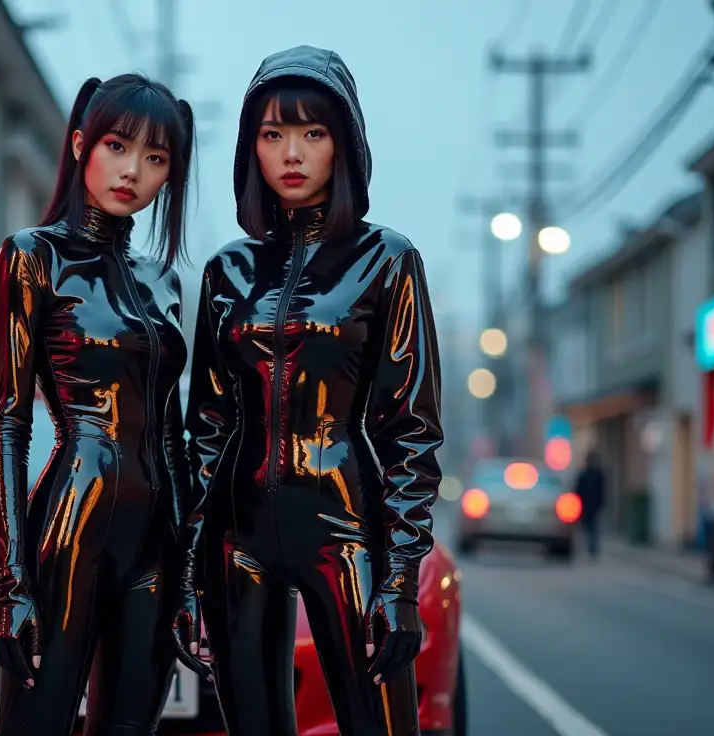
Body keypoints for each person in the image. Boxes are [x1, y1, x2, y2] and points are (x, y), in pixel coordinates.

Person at [181, 46, 444, 736]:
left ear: (345, 144)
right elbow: (204, 429)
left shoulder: (387, 260)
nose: (291, 153)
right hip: (235, 539)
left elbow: (410, 429)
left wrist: (399, 578)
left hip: (347, 530)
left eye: (312, 133)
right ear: (251, 149)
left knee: (379, 724)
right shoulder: (226, 271)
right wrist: (187, 570)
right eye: (272, 135)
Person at [0, 73, 207, 736]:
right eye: (117, 146)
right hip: (70, 529)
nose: (132, 170)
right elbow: (10, 426)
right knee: (38, 723)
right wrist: (12, 584)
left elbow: (172, 440)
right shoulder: (33, 257)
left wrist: (191, 575)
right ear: (82, 144)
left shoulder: (162, 280)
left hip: (155, 547)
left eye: (156, 157)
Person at [574, 451, 607, 557]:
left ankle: (592, 545)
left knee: (591, 525)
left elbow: (601, 491)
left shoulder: (595, 475)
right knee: (590, 525)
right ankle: (591, 544)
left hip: (590, 505)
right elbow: (578, 490)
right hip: (588, 505)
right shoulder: (587, 475)